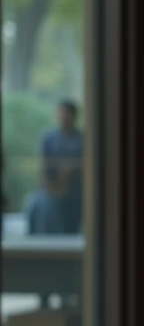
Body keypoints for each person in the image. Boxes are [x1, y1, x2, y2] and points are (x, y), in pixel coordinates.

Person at [26, 100, 85, 235]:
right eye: (61, 114)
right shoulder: (49, 138)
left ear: (74, 116)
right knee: (37, 206)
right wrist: (53, 186)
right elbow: (44, 165)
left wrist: (67, 176)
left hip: (75, 190)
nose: (63, 118)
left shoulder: (82, 139)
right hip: (51, 188)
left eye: (66, 114)